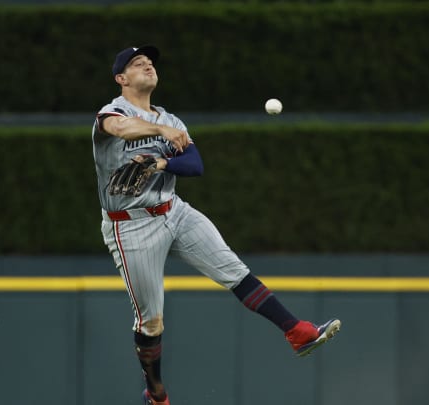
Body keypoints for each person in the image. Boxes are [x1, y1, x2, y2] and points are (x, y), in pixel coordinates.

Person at [92, 45, 341, 405]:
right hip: (130, 225)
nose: (147, 63)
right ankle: (156, 391)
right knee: (151, 323)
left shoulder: (172, 120)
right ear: (121, 78)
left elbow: (194, 165)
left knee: (234, 271)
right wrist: (159, 133)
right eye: (136, 63)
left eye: (149, 61)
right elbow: (122, 128)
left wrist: (162, 165)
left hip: (173, 210)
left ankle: (296, 331)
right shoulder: (112, 112)